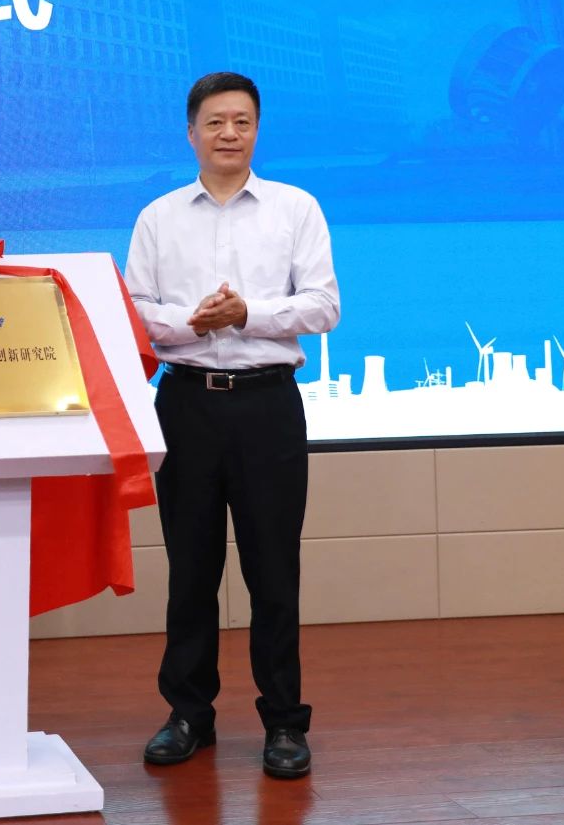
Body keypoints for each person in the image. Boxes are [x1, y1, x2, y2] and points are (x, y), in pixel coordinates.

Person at [125, 72, 339, 779]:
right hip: (186, 404)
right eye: (215, 122)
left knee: (273, 568)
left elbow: (323, 305)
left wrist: (248, 313)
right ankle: (188, 713)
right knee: (190, 568)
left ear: (257, 130)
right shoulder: (158, 216)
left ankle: (284, 722)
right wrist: (195, 323)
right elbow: (135, 311)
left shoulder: (296, 208)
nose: (229, 133)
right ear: (191, 132)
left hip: (267, 406)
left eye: (242, 121)